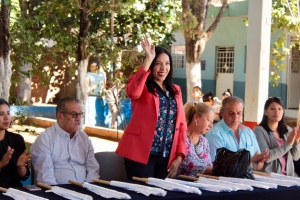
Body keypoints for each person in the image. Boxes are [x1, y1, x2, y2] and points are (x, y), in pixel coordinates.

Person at [116, 37, 187, 179]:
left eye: (167, 64)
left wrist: (179, 155)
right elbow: (132, 92)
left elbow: (181, 125)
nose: (163, 68)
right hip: (140, 153)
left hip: (166, 156)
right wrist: (148, 59)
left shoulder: (175, 90)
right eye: (158, 64)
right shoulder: (141, 85)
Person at [31, 96, 99, 185]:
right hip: (58, 193)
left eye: (80, 114)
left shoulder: (84, 138)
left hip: (86, 191)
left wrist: (89, 187)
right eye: (74, 114)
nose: (78, 119)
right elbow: (46, 178)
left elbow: (93, 169)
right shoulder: (45, 139)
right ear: (60, 116)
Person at [205, 96, 269, 170]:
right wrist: (250, 162)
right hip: (224, 180)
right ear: (222, 112)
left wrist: (258, 163)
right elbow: (219, 167)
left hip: (248, 179)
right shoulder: (214, 134)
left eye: (239, 113)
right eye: (231, 113)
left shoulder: (248, 132)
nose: (235, 117)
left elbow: (259, 163)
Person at [253, 97, 300, 176]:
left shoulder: (288, 130)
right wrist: (288, 144)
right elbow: (267, 157)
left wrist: (296, 141)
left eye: (279, 109)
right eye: (272, 109)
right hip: (270, 177)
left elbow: (295, 157)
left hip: (289, 176)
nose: (276, 112)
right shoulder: (259, 130)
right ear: (265, 112)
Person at [0, 99, 32, 188]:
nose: (7, 117)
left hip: (15, 190)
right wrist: (1, 163)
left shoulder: (17, 140)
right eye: (1, 114)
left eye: (8, 113)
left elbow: (23, 177)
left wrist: (20, 167)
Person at [177, 102, 214, 177]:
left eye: (212, 122)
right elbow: (191, 166)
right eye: (209, 120)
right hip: (181, 184)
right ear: (196, 117)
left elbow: (209, 165)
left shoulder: (204, 142)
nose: (211, 125)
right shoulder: (181, 137)